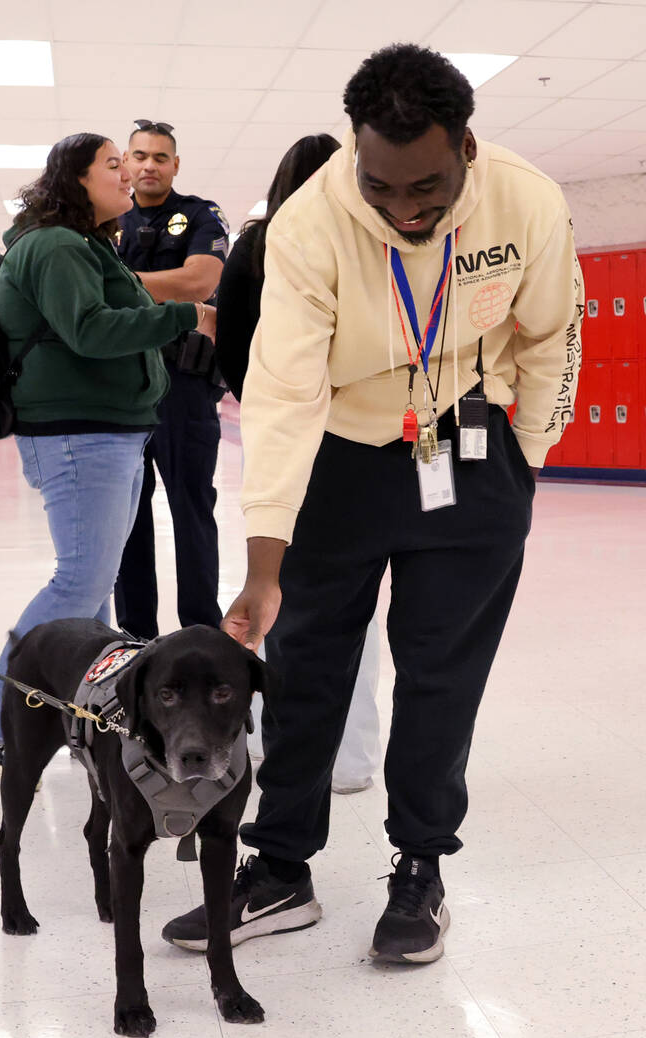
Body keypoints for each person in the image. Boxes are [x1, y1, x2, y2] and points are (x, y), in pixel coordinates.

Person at [162, 44, 582, 964]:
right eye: (379, 185)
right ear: (353, 149)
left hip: (469, 454)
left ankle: (421, 867)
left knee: (442, 675)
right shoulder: (311, 223)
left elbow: (553, 334)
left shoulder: (526, 201)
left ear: (466, 146)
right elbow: (281, 393)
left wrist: (527, 461)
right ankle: (280, 870)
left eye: (425, 187)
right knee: (308, 667)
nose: (401, 209)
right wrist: (263, 565)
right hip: (342, 463)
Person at [0, 132, 217, 778]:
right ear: (76, 179)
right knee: (77, 582)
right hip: (77, 436)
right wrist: (184, 317)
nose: (128, 173)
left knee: (93, 592)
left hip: (108, 431)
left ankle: (83, 720)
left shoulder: (89, 243)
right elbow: (91, 331)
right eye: (112, 164)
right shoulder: (57, 245)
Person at [219, 133, 383, 795]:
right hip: (356, 442)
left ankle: (274, 743)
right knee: (355, 600)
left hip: (283, 436)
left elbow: (235, 354)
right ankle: (351, 757)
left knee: (278, 589)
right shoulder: (368, 246)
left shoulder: (257, 245)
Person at [111, 120, 230, 639]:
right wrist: (166, 289)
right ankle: (135, 637)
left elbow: (201, 279)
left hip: (184, 385)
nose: (149, 166)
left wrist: (115, 283)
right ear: (126, 163)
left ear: (175, 165)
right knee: (127, 518)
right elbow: (180, 289)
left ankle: (201, 630)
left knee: (193, 509)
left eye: (160, 157)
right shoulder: (105, 220)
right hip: (119, 389)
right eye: (139, 156)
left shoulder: (200, 215)